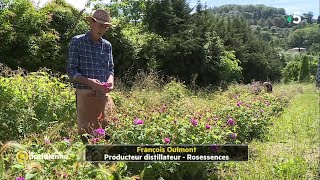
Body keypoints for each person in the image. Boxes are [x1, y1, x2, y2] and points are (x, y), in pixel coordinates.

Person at [67, 9, 114, 143]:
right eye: (99, 25)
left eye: (105, 27)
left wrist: (110, 81)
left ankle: (103, 162)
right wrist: (90, 82)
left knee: (105, 133)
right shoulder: (78, 41)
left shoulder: (107, 46)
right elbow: (71, 71)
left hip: (102, 96)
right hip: (84, 95)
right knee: (86, 136)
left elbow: (110, 69)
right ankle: (87, 163)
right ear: (91, 23)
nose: (102, 29)